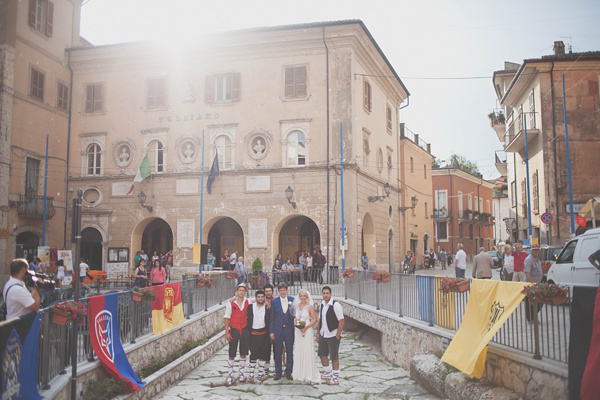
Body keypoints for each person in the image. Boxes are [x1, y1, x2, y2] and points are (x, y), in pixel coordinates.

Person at [224, 283, 251, 386]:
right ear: (236, 291)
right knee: (231, 353)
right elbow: (227, 318)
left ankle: (241, 374)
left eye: (243, 290)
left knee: (243, 352)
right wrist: (227, 332)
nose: (241, 292)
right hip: (234, 330)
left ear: (245, 292)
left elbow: (259, 300)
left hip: (244, 330)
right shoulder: (230, 304)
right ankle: (229, 376)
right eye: (239, 290)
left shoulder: (248, 302)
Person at [317, 286, 345, 385]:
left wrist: (338, 335)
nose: (325, 295)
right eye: (324, 293)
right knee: (322, 354)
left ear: (330, 294)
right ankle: (327, 373)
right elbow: (320, 320)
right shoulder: (322, 305)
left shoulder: (336, 305)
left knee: (334, 356)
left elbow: (341, 320)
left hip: (333, 335)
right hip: (323, 334)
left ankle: (335, 377)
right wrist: (318, 333)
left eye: (327, 293)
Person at [292, 289, 320, 383]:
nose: (302, 297)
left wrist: (306, 327)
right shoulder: (297, 306)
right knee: (299, 349)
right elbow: (296, 317)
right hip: (298, 331)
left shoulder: (310, 307)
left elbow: (314, 320)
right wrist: (296, 322)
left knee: (307, 350)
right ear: (299, 297)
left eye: (304, 296)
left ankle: (308, 373)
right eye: (301, 296)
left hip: (307, 330)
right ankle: (299, 373)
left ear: (307, 297)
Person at [269, 283, 295, 381]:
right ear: (278, 291)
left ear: (287, 290)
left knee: (289, 351)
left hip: (289, 330)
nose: (283, 292)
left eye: (284, 290)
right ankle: (278, 372)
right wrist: (271, 332)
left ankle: (288, 372)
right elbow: (272, 318)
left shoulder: (292, 300)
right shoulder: (274, 302)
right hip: (278, 330)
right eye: (281, 290)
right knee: (277, 352)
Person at [246, 290, 271, 383]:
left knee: (263, 355)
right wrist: (233, 298)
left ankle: (260, 375)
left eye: (262, 297)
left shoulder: (268, 307)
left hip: (264, 334)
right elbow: (243, 299)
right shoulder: (250, 307)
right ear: (255, 298)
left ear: (264, 298)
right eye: (258, 297)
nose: (260, 299)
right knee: (253, 355)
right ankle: (251, 375)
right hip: (253, 334)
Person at [524, 246, 543, 323]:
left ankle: (533, 316)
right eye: (535, 250)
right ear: (532, 251)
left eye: (538, 250)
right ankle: (531, 318)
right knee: (531, 302)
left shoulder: (537, 259)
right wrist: (532, 283)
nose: (537, 252)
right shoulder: (529, 260)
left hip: (537, 283)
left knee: (538, 301)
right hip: (531, 285)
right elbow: (527, 272)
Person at [262, 284, 275, 377]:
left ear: (272, 291)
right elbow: (248, 300)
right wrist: (235, 297)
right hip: (265, 329)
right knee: (266, 350)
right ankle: (266, 369)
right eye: (266, 291)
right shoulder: (261, 300)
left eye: (269, 291)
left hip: (275, 328)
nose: (268, 293)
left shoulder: (276, 301)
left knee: (277, 349)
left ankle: (279, 369)